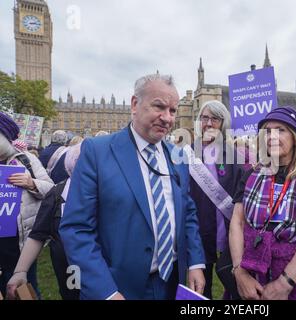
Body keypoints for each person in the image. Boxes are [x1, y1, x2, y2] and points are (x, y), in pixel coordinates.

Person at [59, 74, 205, 300]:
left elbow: (188, 212)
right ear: (135, 105)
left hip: (171, 282)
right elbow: (77, 229)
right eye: (159, 106)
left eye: (173, 111)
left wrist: (196, 261)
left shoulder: (177, 156)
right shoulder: (97, 152)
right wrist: (105, 292)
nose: (167, 118)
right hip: (119, 287)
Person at [230, 106, 296, 300]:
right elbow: (237, 224)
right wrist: (239, 273)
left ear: (295, 137)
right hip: (250, 269)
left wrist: (284, 283)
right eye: (267, 131)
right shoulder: (251, 175)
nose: (272, 136)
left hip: (295, 276)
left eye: (280, 130)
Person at [6, 143, 83, 300]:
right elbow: (38, 233)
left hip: (108, 266)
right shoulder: (58, 193)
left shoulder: (112, 194)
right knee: (73, 294)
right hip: (71, 267)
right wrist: (21, 270)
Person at [189, 100, 246, 299]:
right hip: (196, 231)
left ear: (224, 124)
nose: (209, 123)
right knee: (198, 288)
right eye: (205, 118)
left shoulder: (233, 155)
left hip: (227, 231)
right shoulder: (186, 153)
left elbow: (242, 192)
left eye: (215, 119)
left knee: (234, 285)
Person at [0, 112, 54, 298]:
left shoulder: (26, 160)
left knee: (25, 292)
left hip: (20, 245)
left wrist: (31, 183)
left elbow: (52, 191)